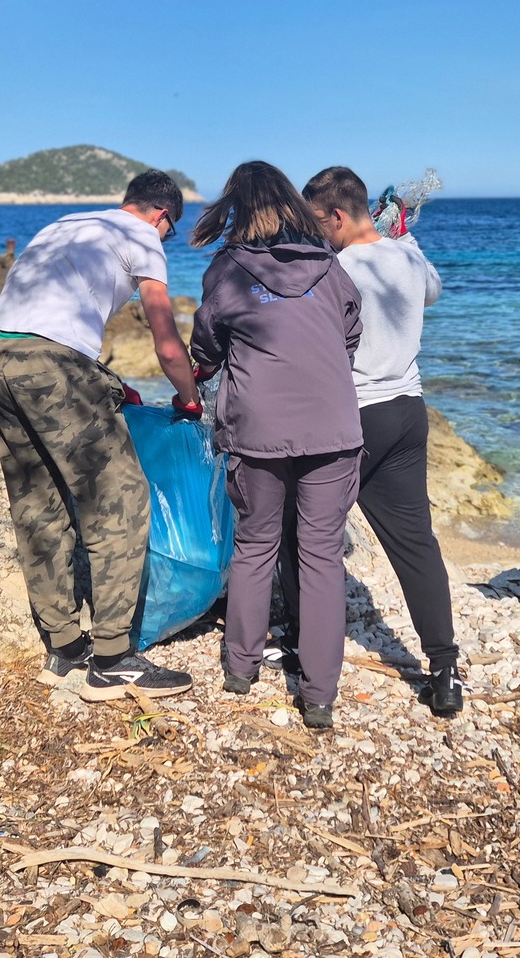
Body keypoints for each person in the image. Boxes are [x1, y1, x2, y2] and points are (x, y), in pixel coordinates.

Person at [0, 170, 202, 699]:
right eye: (168, 232)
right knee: (120, 500)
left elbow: (43, 324)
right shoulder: (142, 236)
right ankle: (114, 659)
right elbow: (166, 342)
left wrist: (105, 381)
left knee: (39, 502)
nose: (163, 240)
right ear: (161, 216)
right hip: (52, 364)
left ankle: (63, 644)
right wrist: (189, 397)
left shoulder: (68, 224)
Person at [189, 161, 363, 730]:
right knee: (320, 553)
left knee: (256, 543)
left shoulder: (227, 268)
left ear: (237, 208)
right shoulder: (329, 266)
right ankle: (319, 696)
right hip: (334, 428)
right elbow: (350, 332)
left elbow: (206, 347)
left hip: (260, 431)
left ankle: (240, 669)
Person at [290, 164, 463, 715]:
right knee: (415, 542)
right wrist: (402, 235)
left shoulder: (334, 268)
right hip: (409, 413)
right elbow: (432, 292)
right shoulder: (407, 257)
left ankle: (306, 652)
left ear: (337, 216)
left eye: (319, 225)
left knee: (304, 534)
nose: (317, 235)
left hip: (355, 419)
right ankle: (444, 670)